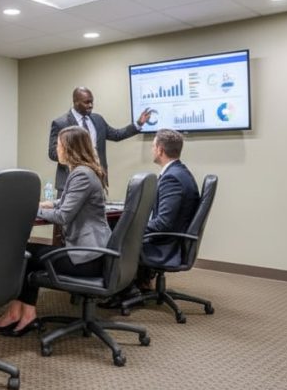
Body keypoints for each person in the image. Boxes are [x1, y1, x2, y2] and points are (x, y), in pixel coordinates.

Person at [0, 125, 112, 336]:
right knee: (27, 253)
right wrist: (47, 204)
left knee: (24, 254)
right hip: (95, 253)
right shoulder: (86, 171)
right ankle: (20, 312)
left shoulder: (81, 174)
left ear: (70, 148)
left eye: (59, 144)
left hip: (86, 258)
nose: (57, 149)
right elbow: (65, 202)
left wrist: (31, 208)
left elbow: (63, 216)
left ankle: (22, 314)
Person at [49, 87, 152, 192]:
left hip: (97, 179)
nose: (91, 105)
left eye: (92, 102)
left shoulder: (98, 120)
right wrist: (79, 159)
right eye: (86, 102)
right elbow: (53, 153)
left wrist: (138, 124)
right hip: (70, 182)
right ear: (75, 102)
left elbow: (116, 135)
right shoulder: (61, 123)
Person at [138, 128, 200, 288]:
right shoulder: (179, 172)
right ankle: (141, 284)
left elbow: (163, 223)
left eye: (153, 146)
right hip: (174, 240)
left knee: (121, 239)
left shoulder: (172, 178)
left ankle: (124, 293)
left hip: (167, 246)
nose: (152, 150)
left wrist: (132, 227)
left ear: (160, 150)